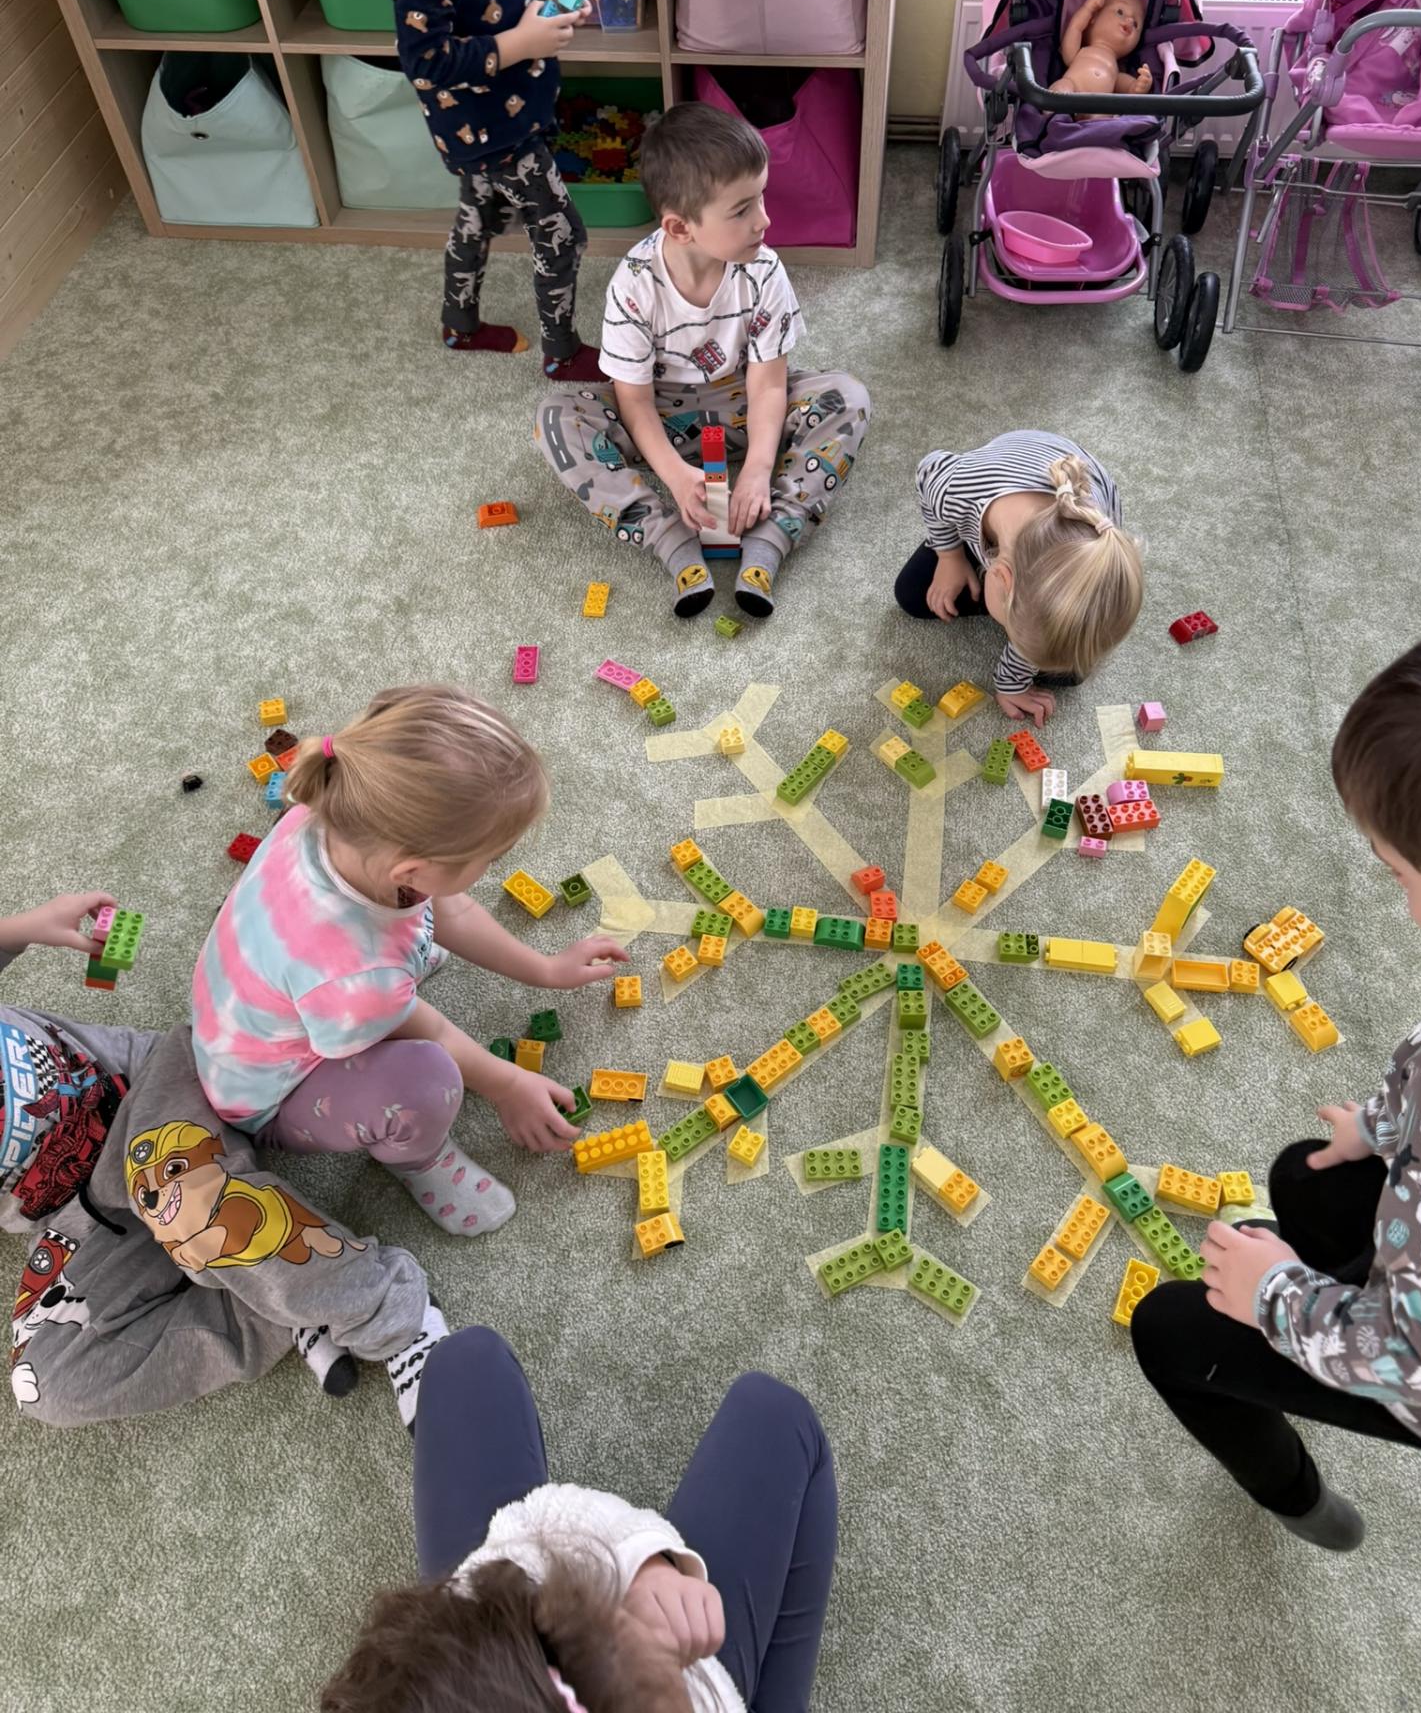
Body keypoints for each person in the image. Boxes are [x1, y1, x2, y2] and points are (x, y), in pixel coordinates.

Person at [1132, 624, 1421, 1551]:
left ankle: (1299, 1501)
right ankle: (1318, 1286)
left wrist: (1279, 1297)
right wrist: (1381, 1127)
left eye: (1398, 873)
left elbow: (1417, 1363)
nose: (1396, 894)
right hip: (1417, 1269)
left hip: (1420, 1366)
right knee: (1302, 1174)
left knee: (1172, 1331)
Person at [191, 685, 627, 1238]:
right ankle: (419, 1159)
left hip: (268, 1004)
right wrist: (508, 1086)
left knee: (394, 972)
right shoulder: (360, 978)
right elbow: (434, 1033)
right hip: (271, 1096)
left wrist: (544, 969)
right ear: (411, 871)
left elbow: (451, 908)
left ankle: (396, 982)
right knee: (424, 1081)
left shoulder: (336, 815)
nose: (493, 866)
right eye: (491, 857)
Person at [1, 891, 444, 1430]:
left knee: (185, 1202)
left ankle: (395, 1314)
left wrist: (21, 928)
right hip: (83, 1216)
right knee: (45, 1383)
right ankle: (277, 1306)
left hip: (151, 1089)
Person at [320, 1326, 838, 1711]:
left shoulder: (473, 1646)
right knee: (776, 1417)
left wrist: (644, 1563)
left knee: (464, 1362)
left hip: (478, 1645)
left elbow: (536, 1518)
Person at [532, 101, 870, 620]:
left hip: (743, 399)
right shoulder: (634, 284)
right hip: (661, 412)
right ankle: (669, 540)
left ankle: (773, 534)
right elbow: (633, 400)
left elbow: (768, 385)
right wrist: (674, 475)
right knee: (555, 418)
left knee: (847, 396)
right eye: (742, 210)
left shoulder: (764, 271)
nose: (764, 220)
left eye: (761, 198)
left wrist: (757, 469)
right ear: (680, 228)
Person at [369, 0, 605, 378]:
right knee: (562, 235)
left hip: (504, 110)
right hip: (489, 124)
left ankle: (460, 325)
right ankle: (562, 353)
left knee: (479, 216)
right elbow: (425, 61)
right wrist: (519, 44)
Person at [892, 432, 1143, 724]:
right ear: (1000, 575)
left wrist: (1012, 681)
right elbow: (928, 469)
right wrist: (950, 557)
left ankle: (1020, 616)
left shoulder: (1103, 546)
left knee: (1070, 665)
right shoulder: (956, 491)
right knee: (912, 594)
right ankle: (1017, 613)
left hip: (1068, 548)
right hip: (992, 505)